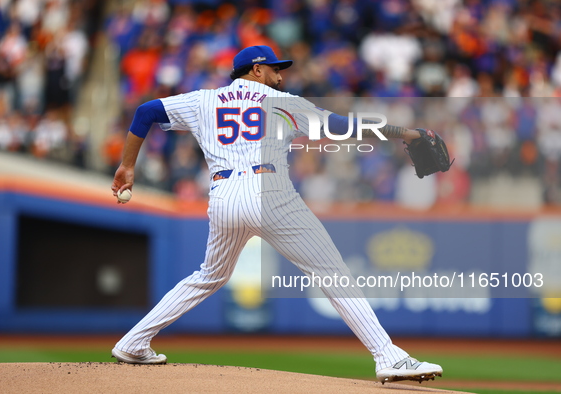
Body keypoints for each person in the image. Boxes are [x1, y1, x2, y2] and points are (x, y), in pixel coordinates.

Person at [110, 45, 443, 384]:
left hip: (223, 197)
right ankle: (388, 356)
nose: (280, 75)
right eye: (274, 68)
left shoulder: (203, 100)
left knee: (209, 275)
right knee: (332, 272)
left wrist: (126, 165)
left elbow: (144, 112)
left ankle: (134, 341)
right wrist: (409, 133)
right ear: (256, 70)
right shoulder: (285, 103)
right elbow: (346, 126)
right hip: (269, 192)